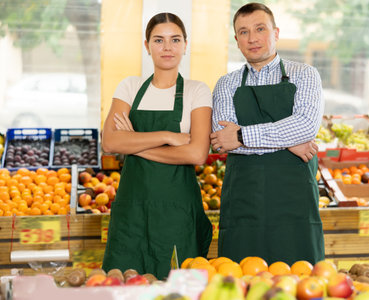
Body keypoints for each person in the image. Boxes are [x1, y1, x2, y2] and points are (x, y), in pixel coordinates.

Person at [210, 3, 325, 266]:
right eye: (243, 32)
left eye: (260, 29)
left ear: (276, 33)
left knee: (301, 281)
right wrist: (288, 142)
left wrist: (242, 137)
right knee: (238, 281)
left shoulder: (304, 75)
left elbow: (306, 125)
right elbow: (222, 139)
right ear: (237, 40)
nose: (252, 38)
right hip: (243, 201)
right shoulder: (226, 84)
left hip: (294, 202)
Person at [101, 12, 212, 279]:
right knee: (123, 286)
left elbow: (197, 153)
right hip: (132, 210)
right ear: (146, 45)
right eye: (158, 40)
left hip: (177, 212)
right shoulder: (130, 86)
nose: (167, 47)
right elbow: (110, 141)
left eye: (175, 40)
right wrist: (168, 136)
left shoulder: (197, 91)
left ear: (185, 45)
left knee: (176, 287)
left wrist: (134, 143)